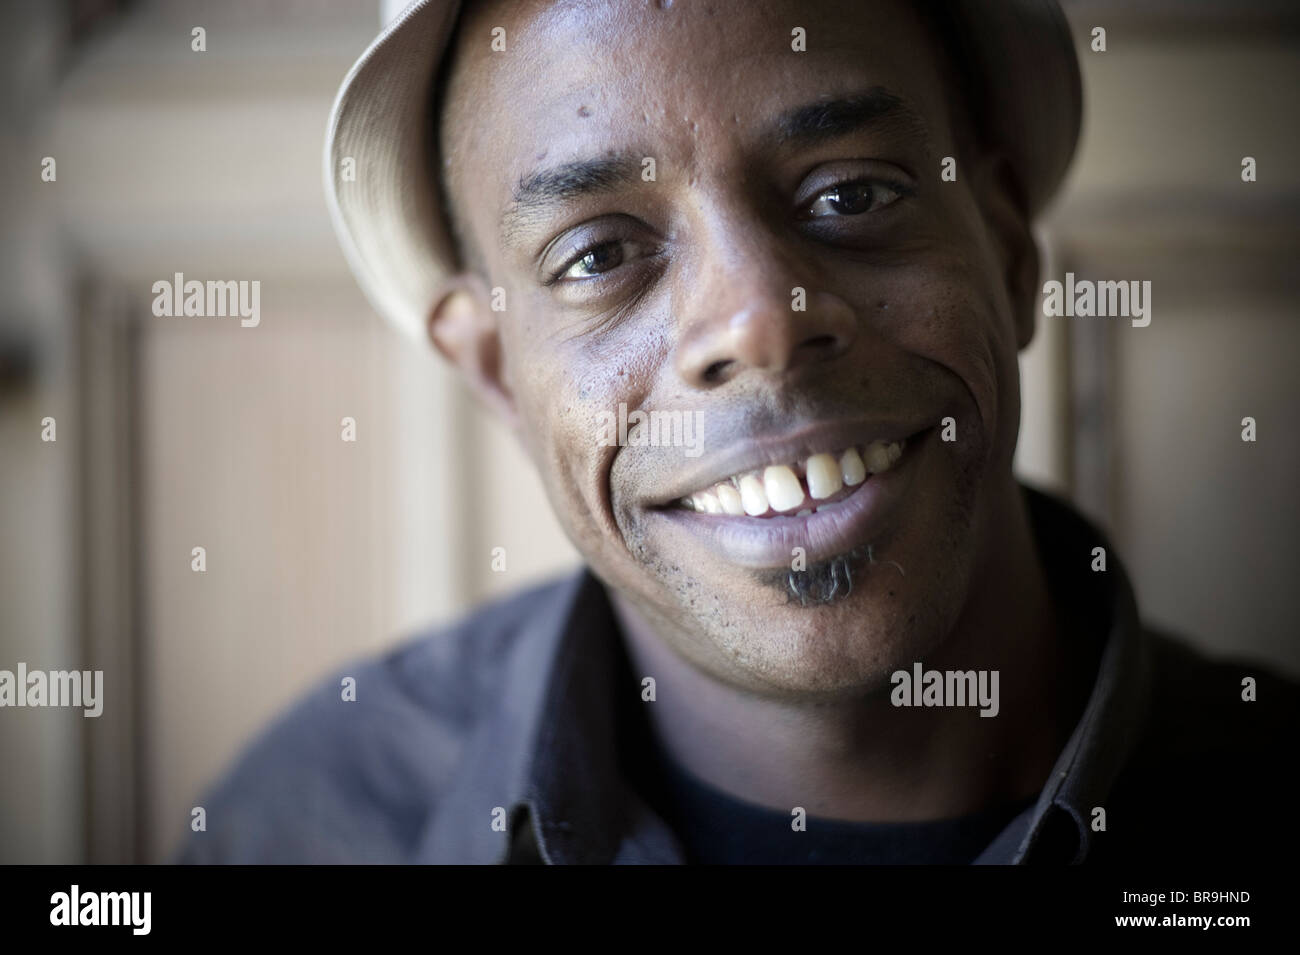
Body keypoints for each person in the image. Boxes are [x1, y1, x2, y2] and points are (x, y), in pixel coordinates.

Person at [177, 0, 1299, 864]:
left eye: (851, 195)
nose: (759, 323)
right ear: (495, 373)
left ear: (1006, 248)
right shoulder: (310, 826)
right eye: (599, 254)